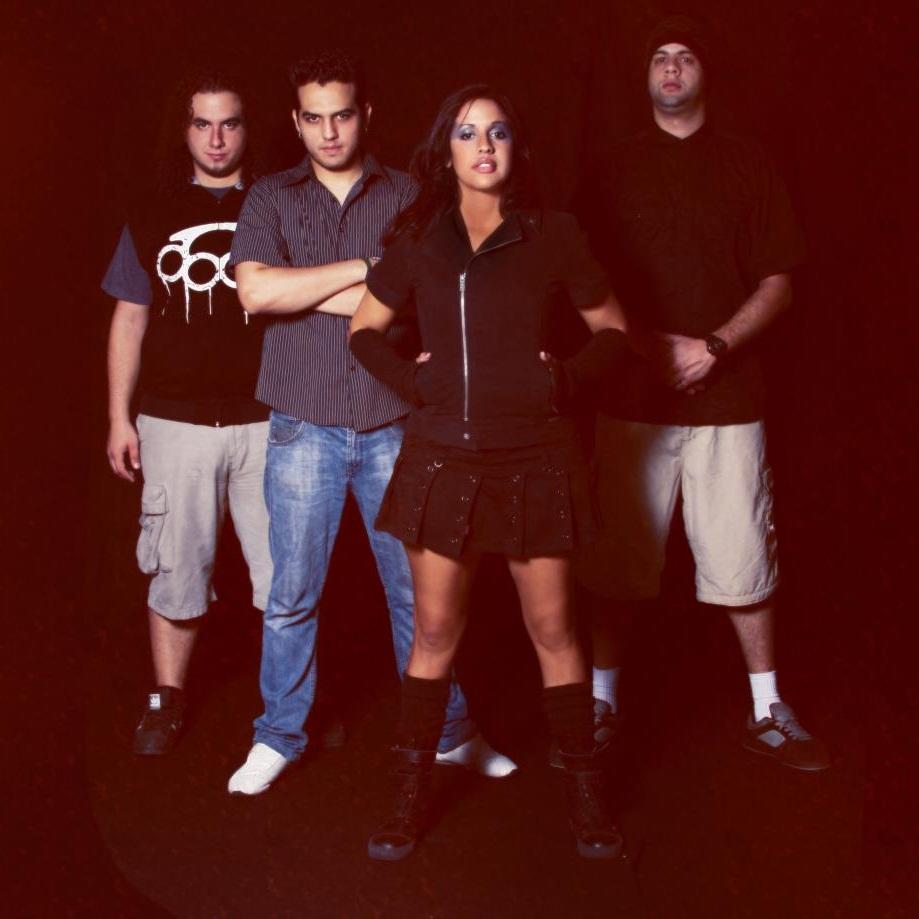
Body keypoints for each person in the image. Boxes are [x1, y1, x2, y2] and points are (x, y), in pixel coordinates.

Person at [350, 84, 629, 860]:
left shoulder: (553, 234)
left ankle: (586, 800)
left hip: (534, 456)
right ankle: (407, 801)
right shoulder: (418, 238)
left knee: (554, 630)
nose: (483, 146)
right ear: (445, 150)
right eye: (468, 133)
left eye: (498, 133)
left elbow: (613, 330)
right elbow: (365, 330)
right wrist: (413, 382)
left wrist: (561, 379)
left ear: (515, 149)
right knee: (434, 630)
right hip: (442, 455)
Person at [226, 51, 513, 795]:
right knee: (291, 596)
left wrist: (304, 289)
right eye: (314, 118)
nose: (329, 132)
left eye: (343, 115)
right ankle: (278, 735)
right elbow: (254, 293)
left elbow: (427, 299)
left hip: (394, 426)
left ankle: (448, 732)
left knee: (419, 594)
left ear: (366, 115)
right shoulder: (269, 195)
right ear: (296, 122)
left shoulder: (411, 193)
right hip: (301, 424)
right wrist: (367, 268)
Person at [576, 16, 829, 771]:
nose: (672, 67)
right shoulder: (611, 168)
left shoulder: (746, 164)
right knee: (616, 562)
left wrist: (712, 346)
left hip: (728, 398)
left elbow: (780, 282)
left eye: (685, 56)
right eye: (660, 57)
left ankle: (766, 707)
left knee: (744, 557)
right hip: (632, 399)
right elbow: (579, 281)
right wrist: (645, 347)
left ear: (703, 74)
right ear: (645, 76)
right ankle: (600, 702)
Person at [103, 70, 271, 755]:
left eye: (229, 123)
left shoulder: (277, 203)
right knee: (176, 567)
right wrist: (118, 417)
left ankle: (289, 704)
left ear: (247, 129)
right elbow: (129, 316)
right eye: (203, 123)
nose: (216, 138)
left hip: (268, 420)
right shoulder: (153, 210)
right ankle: (166, 699)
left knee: (285, 572)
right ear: (186, 131)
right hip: (174, 421)